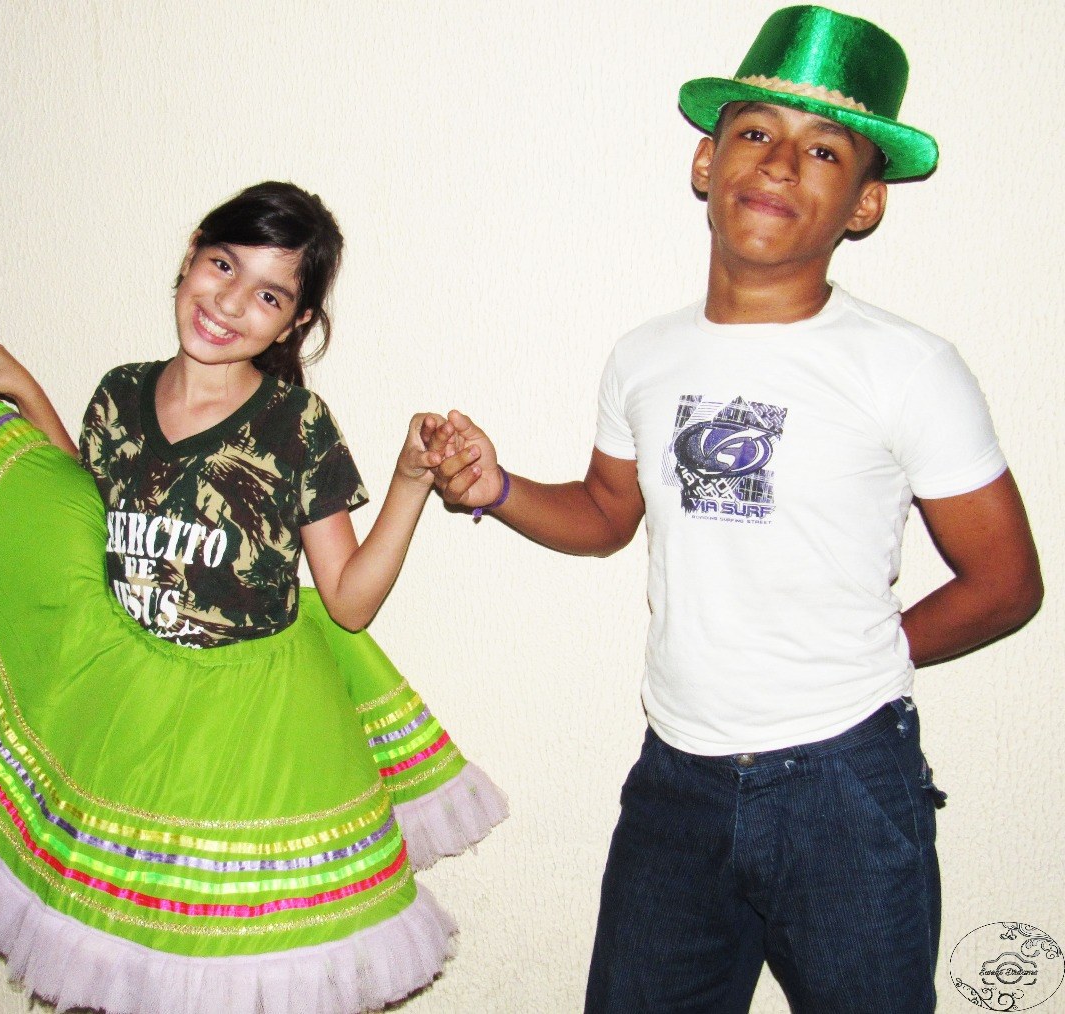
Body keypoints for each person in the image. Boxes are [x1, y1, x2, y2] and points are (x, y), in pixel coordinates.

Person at [427, 7, 1042, 1012]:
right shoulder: (644, 356)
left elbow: (1006, 584)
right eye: (755, 132)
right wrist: (493, 489)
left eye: (823, 150)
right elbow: (605, 512)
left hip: (844, 784)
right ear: (706, 163)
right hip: (676, 782)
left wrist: (865, 652)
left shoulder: (908, 367)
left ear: (864, 204)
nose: (779, 163)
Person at [0, 181, 505, 1014]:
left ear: (294, 325)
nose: (230, 302)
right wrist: (24, 389)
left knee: (233, 969)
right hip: (132, 720)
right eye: (222, 264)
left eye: (268, 295)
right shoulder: (120, 394)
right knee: (128, 961)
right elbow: (82, 510)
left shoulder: (295, 424)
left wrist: (409, 481)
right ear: (190, 258)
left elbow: (350, 601)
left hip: (251, 732)